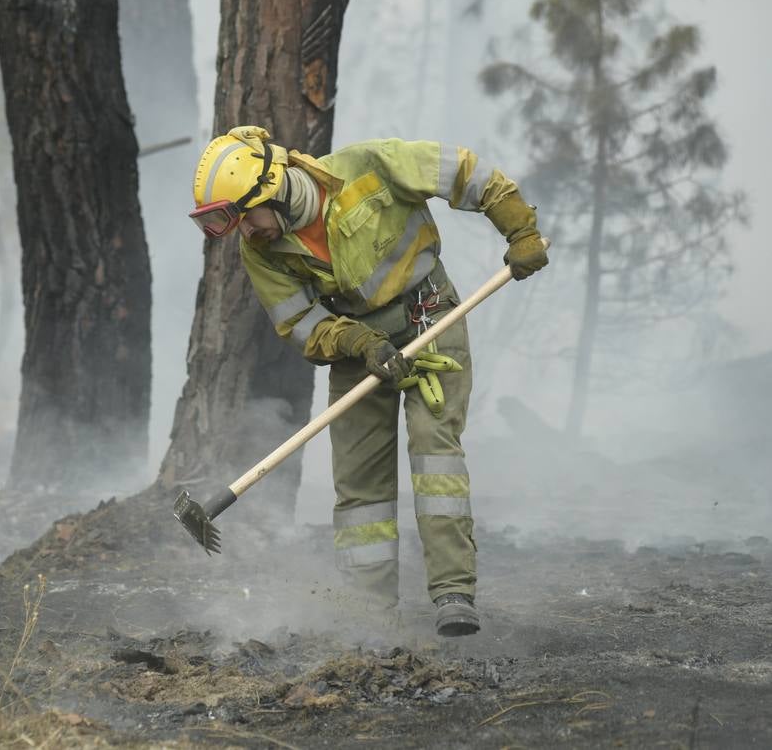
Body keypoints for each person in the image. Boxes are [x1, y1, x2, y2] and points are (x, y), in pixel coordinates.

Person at [189, 126, 548, 636]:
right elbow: (299, 323)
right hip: (356, 348)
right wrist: (360, 345)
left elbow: (464, 171)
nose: (246, 234)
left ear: (272, 189)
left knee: (435, 453)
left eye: (245, 220)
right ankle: (369, 616)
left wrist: (519, 229)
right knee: (360, 486)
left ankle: (452, 595)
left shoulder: (369, 167)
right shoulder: (262, 251)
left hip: (430, 318)